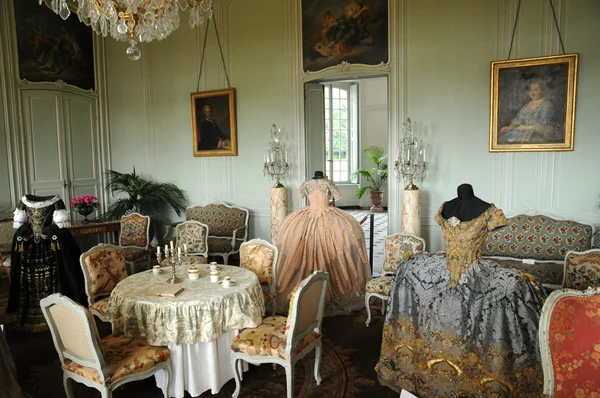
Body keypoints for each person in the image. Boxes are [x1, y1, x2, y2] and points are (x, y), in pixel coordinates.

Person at [376, 184, 545, 397]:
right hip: (445, 268)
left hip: (474, 270)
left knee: (512, 291)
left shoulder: (489, 211)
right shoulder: (445, 208)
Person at [275, 171, 371, 316]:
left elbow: (301, 195)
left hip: (311, 215)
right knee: (333, 242)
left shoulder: (307, 183)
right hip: (326, 215)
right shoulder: (328, 182)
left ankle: (309, 286)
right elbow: (337, 196)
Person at [7, 194, 86, 331]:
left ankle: (59, 312)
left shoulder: (56, 201)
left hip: (51, 244)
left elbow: (61, 224)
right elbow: (20, 223)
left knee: (61, 273)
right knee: (28, 279)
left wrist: (51, 232)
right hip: (29, 245)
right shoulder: (24, 201)